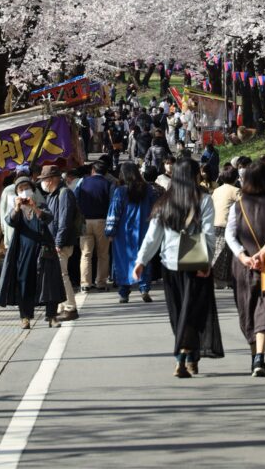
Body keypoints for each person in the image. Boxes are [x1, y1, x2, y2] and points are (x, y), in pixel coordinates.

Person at [133, 159, 224, 377]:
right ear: (194, 176)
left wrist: (141, 260)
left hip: (170, 263)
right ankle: (183, 355)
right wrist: (206, 262)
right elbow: (209, 235)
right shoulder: (204, 200)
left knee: (178, 313)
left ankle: (188, 355)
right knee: (193, 311)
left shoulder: (164, 202)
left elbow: (153, 236)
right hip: (194, 261)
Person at [226, 162, 265, 377]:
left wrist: (243, 256)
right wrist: (264, 252)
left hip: (243, 268)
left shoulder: (239, 204)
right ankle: (258, 357)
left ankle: (257, 356)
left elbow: (229, 235)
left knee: (247, 309)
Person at [0, 176, 65, 328]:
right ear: (17, 193)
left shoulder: (40, 204)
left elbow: (47, 218)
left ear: (33, 190)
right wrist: (17, 208)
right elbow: (10, 221)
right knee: (24, 283)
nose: (24, 191)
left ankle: (52, 316)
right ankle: (25, 317)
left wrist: (34, 207)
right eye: (21, 189)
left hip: (43, 250)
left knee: (49, 283)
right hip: (23, 252)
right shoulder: (17, 210)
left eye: (27, 188)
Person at [105, 163, 157, 303]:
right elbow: (156, 209)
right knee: (144, 257)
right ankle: (144, 288)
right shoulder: (149, 190)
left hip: (124, 233)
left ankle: (124, 292)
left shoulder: (120, 191)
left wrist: (110, 231)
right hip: (144, 230)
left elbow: (114, 212)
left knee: (123, 260)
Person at [39, 164, 79, 322]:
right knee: (59, 275)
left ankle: (71, 307)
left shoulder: (64, 193)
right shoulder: (53, 195)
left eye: (45, 179)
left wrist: (58, 242)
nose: (44, 183)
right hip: (55, 241)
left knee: (62, 275)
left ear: (53, 179)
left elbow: (64, 221)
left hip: (61, 242)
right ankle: (63, 307)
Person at [77, 162, 114, 292]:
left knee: (86, 253)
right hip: (101, 221)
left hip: (85, 221)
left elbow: (76, 197)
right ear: (105, 173)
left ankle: (85, 283)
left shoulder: (83, 182)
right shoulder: (108, 184)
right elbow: (111, 204)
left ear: (92, 170)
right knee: (103, 254)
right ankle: (101, 282)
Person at [211, 164, 240, 289]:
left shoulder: (217, 190)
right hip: (227, 224)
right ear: (236, 178)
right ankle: (222, 280)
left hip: (214, 223)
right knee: (227, 253)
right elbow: (243, 206)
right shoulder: (236, 191)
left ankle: (219, 279)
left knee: (217, 252)